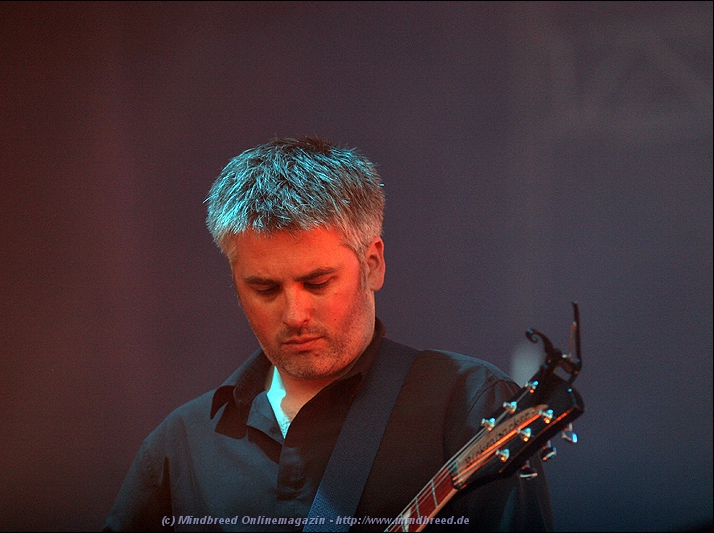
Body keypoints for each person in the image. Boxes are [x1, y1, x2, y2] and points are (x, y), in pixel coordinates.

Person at [103, 137, 553, 532]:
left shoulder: (470, 407)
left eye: (317, 283)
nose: (295, 315)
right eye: (264, 289)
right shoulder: (182, 444)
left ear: (372, 264)